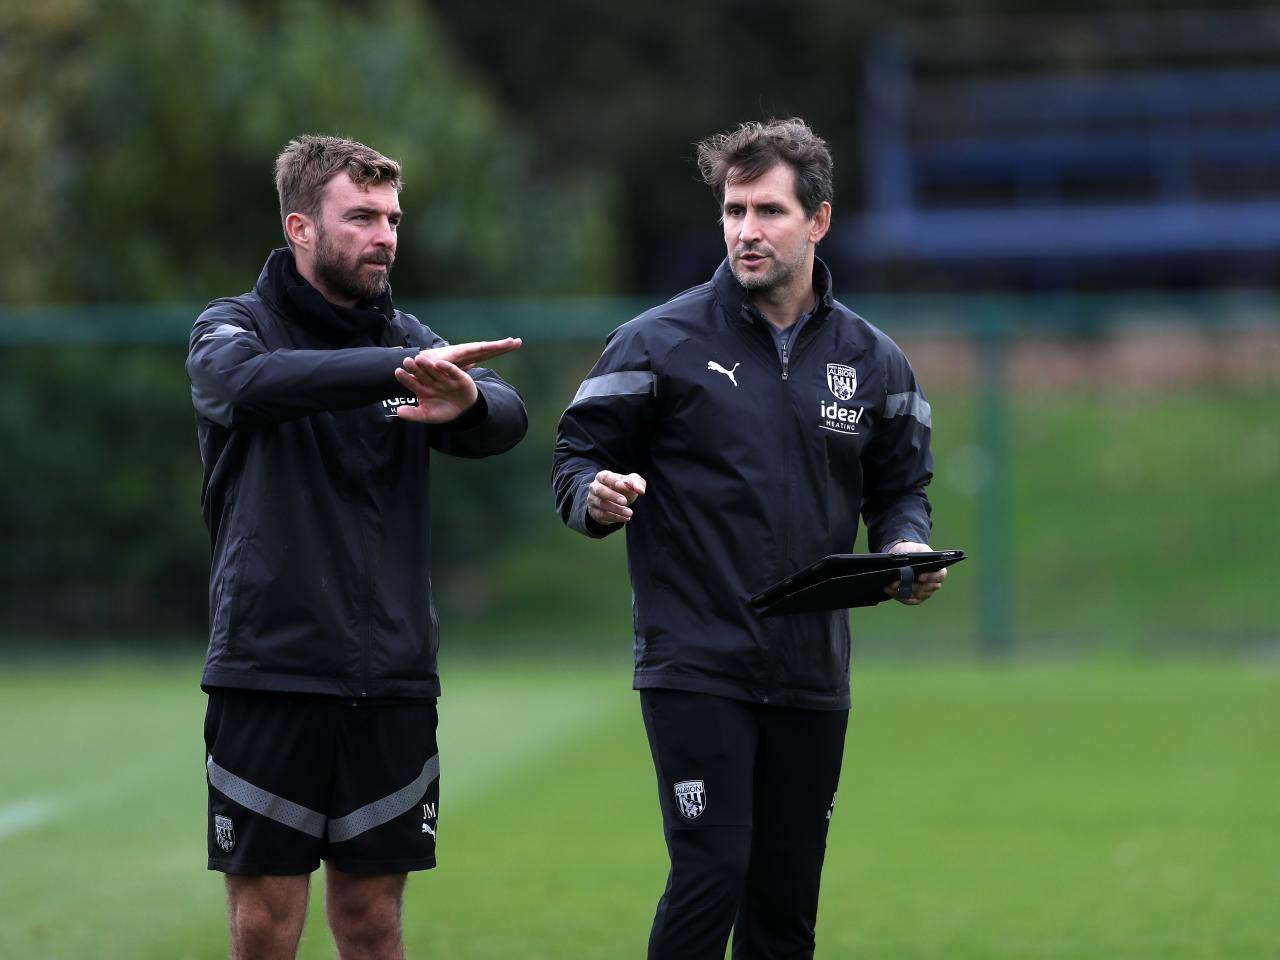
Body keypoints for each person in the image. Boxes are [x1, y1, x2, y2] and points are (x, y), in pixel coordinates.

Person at [552, 118, 947, 959]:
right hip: (696, 662)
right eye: (734, 210)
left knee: (785, 906)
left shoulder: (875, 362)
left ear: (819, 221)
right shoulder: (657, 342)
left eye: (768, 210)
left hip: (811, 670)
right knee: (711, 874)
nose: (745, 230)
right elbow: (576, 456)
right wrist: (597, 494)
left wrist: (907, 547)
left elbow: (901, 487)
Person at [187, 134, 527, 960]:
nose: (386, 235)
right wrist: (401, 368)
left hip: (391, 675)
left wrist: (471, 403)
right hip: (270, 669)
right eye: (363, 217)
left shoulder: (409, 336)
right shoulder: (233, 328)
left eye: (393, 218)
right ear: (300, 227)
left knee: (373, 923)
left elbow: (508, 417)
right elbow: (252, 386)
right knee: (266, 928)